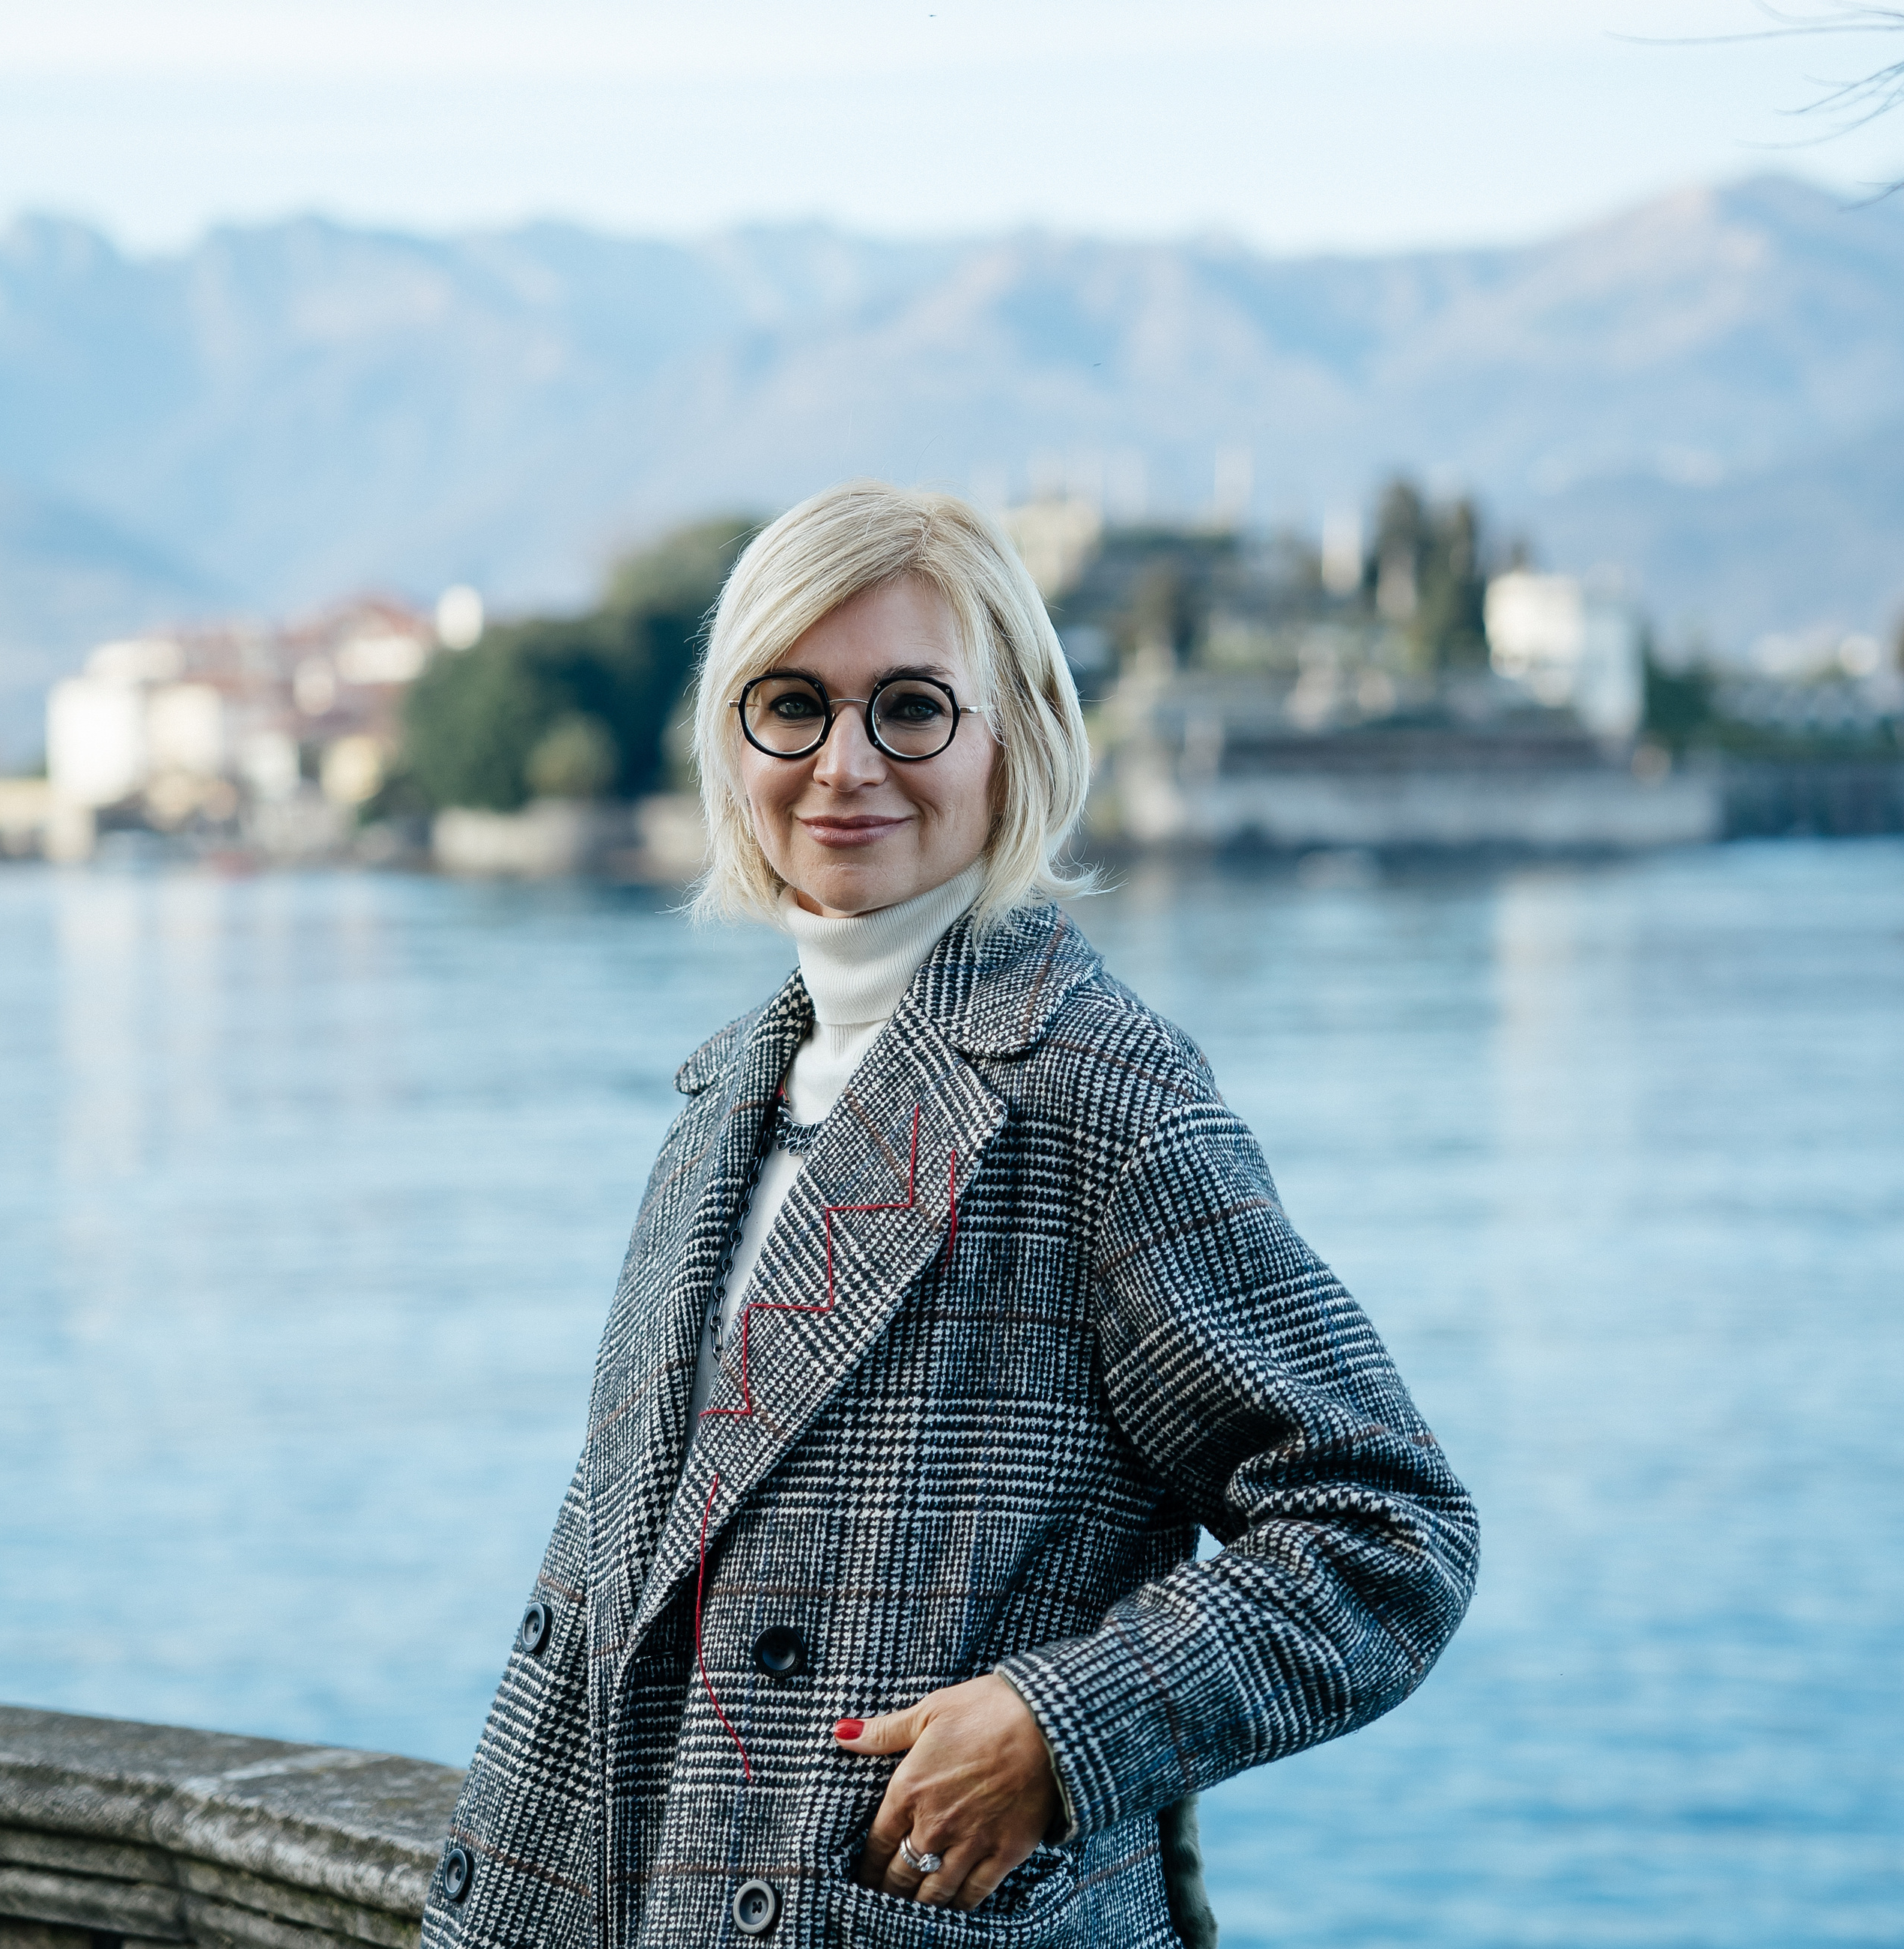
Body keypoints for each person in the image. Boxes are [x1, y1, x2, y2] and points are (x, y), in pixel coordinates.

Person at [421, 482, 1479, 1949]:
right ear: (732, 744)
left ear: (1015, 736)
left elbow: (1386, 1528)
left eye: (909, 706)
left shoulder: (1100, 1093)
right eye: (788, 704)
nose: (843, 762)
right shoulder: (727, 1095)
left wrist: (1058, 1728)